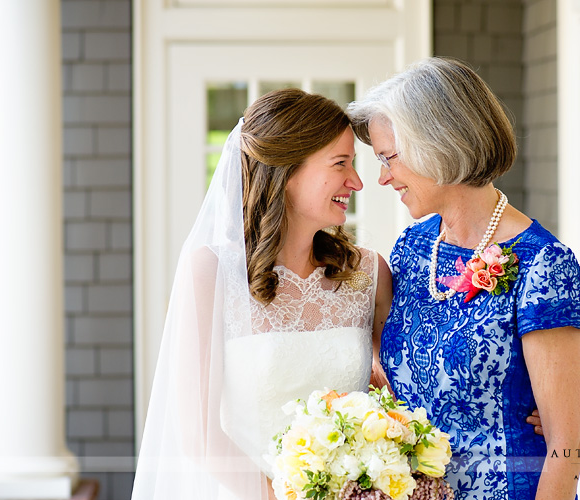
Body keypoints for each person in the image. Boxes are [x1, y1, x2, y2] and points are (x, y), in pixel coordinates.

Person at [347, 57, 580, 500]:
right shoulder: (413, 248)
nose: (382, 177)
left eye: (390, 158)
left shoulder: (542, 263)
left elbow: (569, 443)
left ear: (436, 144)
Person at [131, 89, 393, 500]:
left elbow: (404, 391)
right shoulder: (211, 273)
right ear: (287, 171)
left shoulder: (368, 274)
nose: (357, 182)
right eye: (340, 163)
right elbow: (197, 432)